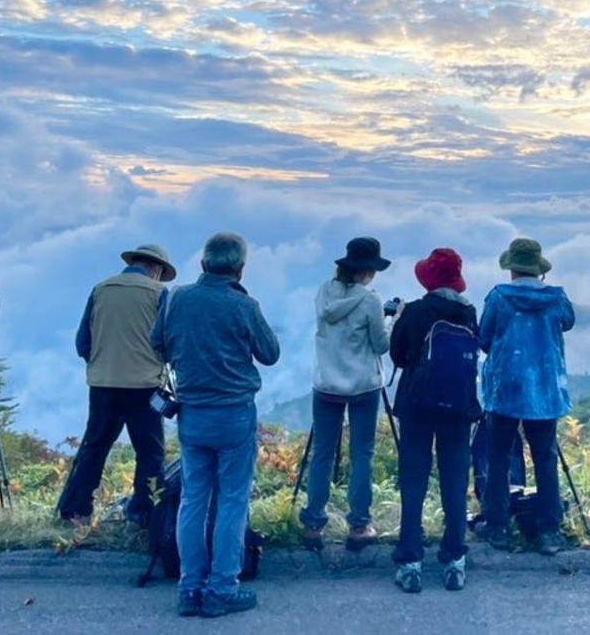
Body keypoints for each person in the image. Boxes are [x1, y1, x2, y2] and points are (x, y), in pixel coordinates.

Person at [150, 232, 279, 619]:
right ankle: (223, 588)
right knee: (232, 501)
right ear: (240, 268)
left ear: (203, 264)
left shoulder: (176, 299)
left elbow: (158, 344)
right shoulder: (244, 304)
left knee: (192, 499)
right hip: (234, 413)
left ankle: (189, 589)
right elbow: (270, 354)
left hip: (192, 413)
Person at [56, 243, 177, 527]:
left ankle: (76, 511)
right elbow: (167, 341)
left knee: (94, 447)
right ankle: (142, 514)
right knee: (150, 453)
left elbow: (81, 343)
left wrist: (101, 364)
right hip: (144, 386)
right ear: (157, 268)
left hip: (103, 385)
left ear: (133, 262)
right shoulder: (159, 293)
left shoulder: (101, 289)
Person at [477, 237, 575, 556]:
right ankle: (549, 531)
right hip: (545, 390)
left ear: (512, 269)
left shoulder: (499, 298)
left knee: (499, 456)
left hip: (506, 387)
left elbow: (484, 339)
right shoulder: (557, 299)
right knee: (545, 458)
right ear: (538, 269)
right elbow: (569, 322)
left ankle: (497, 527)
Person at [389, 248, 478, 593]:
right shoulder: (468, 313)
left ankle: (410, 561)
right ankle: (454, 559)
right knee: (455, 481)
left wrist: (398, 319)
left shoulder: (415, 311)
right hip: (458, 407)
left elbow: (397, 354)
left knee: (413, 482)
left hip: (417, 405)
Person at [299, 236, 391, 552]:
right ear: (367, 271)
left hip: (325, 385)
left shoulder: (324, 292)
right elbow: (381, 345)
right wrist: (396, 318)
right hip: (363, 386)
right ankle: (359, 524)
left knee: (322, 453)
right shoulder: (371, 301)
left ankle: (313, 524)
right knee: (361, 454)